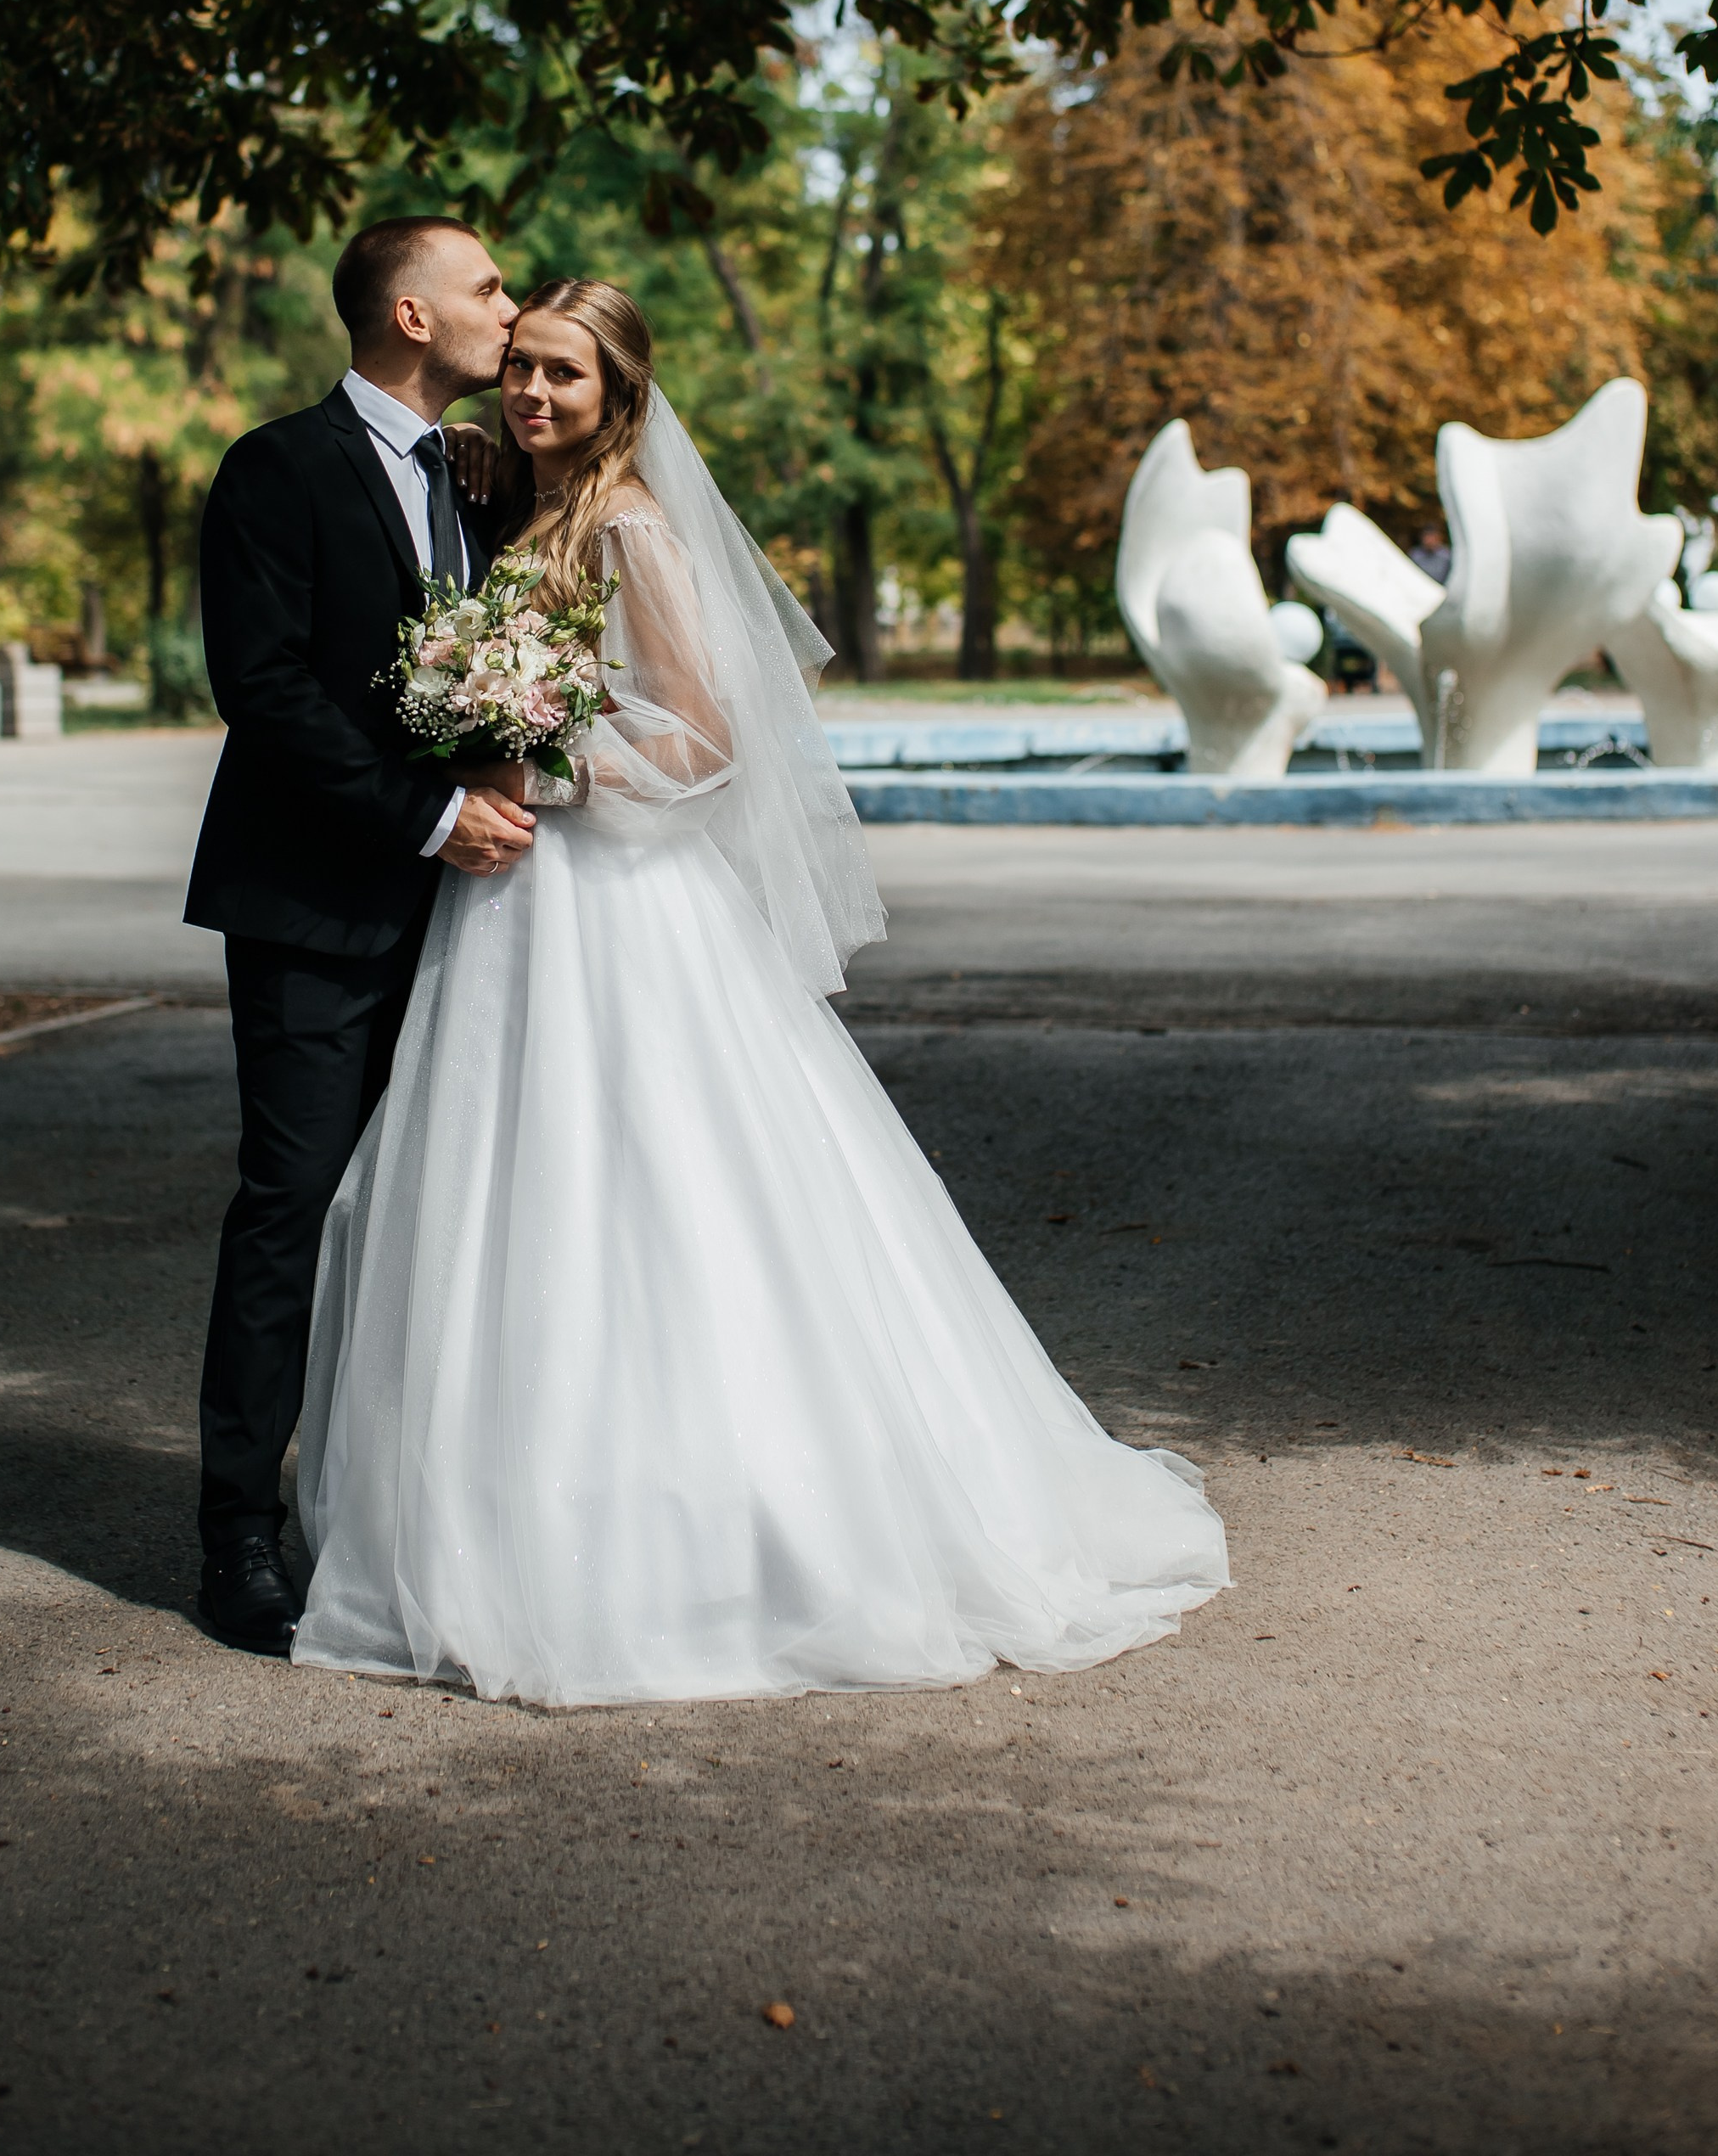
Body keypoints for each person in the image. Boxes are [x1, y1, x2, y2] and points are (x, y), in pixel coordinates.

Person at [289, 280, 1228, 1704]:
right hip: (508, 912)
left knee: (669, 1195)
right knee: (514, 1196)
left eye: (566, 376)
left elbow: (708, 740)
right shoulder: (510, 498)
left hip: (617, 900)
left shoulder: (632, 527)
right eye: (522, 369)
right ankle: (507, 1517)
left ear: (623, 396)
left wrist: (551, 756)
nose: (534, 393)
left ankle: (730, 1533)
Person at [184, 216, 536, 1655]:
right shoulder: (277, 468)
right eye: (489, 288)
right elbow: (264, 691)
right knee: (290, 1207)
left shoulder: (479, 478)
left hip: (476, 922)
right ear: (410, 312)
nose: (508, 312)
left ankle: (398, 1514)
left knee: (444, 1217)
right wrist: (425, 818)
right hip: (317, 906)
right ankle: (236, 1538)